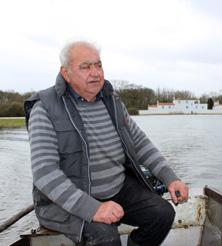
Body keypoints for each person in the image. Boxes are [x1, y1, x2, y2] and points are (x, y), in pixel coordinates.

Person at [24, 40, 189, 246]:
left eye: (98, 65)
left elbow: (140, 144)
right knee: (106, 237)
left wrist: (170, 178)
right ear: (66, 73)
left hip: (117, 188)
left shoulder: (112, 101)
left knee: (162, 214)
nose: (95, 73)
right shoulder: (45, 108)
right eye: (85, 67)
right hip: (68, 202)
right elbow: (44, 172)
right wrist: (93, 209)